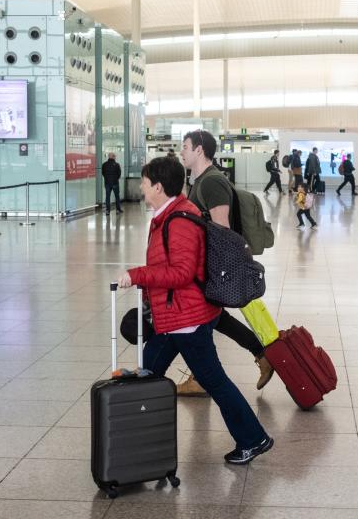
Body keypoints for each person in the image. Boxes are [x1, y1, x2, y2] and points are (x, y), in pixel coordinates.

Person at [118, 156, 273, 465]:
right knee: (148, 374)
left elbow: (182, 273)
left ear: (159, 187)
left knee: (214, 381)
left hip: (187, 320)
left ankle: (253, 438)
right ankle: (133, 449)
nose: (141, 187)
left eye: (145, 183)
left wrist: (138, 276)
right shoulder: (170, 214)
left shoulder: (179, 221)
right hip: (174, 317)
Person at [179, 130, 275, 395]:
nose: (181, 151)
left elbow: (221, 228)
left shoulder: (212, 182)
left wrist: (215, 272)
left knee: (205, 319)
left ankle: (204, 378)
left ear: (199, 150)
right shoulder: (198, 181)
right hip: (202, 263)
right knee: (212, 319)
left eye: (185, 146)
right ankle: (258, 355)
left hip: (212, 265)